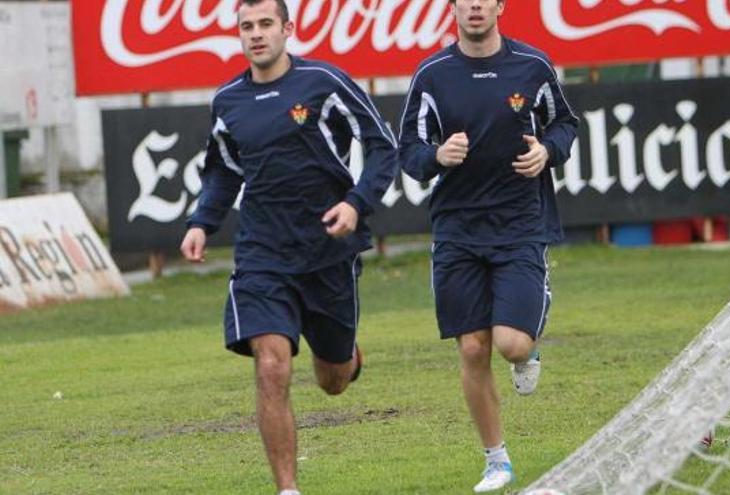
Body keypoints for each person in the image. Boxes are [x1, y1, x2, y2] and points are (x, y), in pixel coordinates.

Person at [179, 1, 397, 493]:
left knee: (332, 378)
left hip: (326, 253)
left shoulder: (324, 82)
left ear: (287, 29)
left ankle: (348, 357)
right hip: (262, 252)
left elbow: (382, 144)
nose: (256, 35)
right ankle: (288, 490)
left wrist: (357, 204)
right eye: (246, 27)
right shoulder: (228, 100)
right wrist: (201, 223)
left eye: (265, 25)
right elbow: (223, 169)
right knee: (272, 363)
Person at [399, 0, 579, 491]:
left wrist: (548, 150)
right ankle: (496, 460)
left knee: (511, 344)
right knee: (474, 349)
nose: (475, 5)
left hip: (521, 224)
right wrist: (437, 155)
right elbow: (409, 153)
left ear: (500, 5)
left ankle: (532, 326)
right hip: (457, 230)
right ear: (453, 6)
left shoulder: (533, 66)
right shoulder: (432, 75)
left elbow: (566, 126)